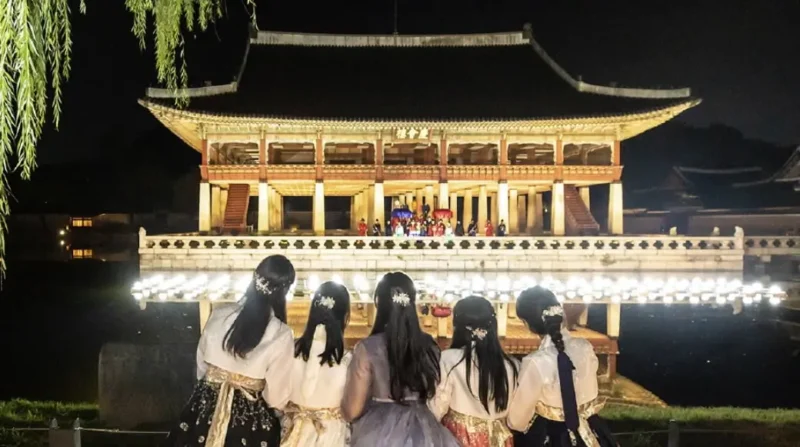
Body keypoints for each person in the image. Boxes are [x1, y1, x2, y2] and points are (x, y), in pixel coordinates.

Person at [164, 255, 295, 447]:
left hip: (204, 407)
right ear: (283, 291)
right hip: (248, 421)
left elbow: (202, 367)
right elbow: (276, 397)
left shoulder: (219, 314)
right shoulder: (281, 333)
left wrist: (214, 385)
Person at [341, 272, 460, 447]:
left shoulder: (368, 347)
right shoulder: (430, 345)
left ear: (379, 304)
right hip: (425, 430)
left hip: (377, 432)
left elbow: (352, 410)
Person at [508, 287, 618, 447]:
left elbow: (517, 419)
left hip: (554, 435)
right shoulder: (585, 347)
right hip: (593, 430)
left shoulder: (536, 362)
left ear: (527, 323)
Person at [429, 296, 519, 447]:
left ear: (457, 326)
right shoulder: (513, 365)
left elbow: (437, 406)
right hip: (500, 437)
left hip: (460, 437)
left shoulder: (450, 359)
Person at [282, 281, 352, 447]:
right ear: (345, 317)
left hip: (293, 429)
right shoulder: (347, 360)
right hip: (330, 434)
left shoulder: (290, 348)